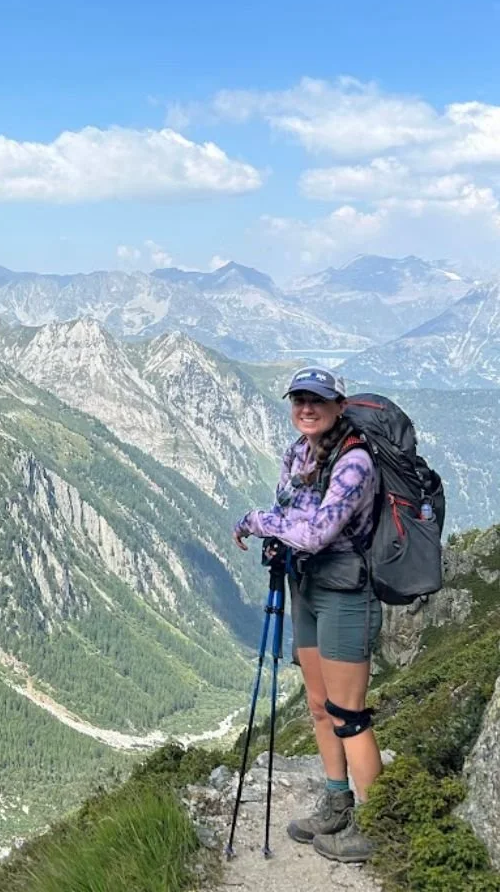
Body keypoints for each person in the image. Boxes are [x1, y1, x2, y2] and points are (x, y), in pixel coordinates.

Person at [233, 365, 383, 865]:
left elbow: (317, 531)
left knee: (349, 715)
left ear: (340, 405)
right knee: (319, 705)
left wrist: (258, 522)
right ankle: (337, 801)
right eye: (298, 398)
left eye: (317, 399)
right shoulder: (297, 452)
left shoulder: (355, 461)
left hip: (345, 593)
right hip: (307, 587)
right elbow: (295, 516)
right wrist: (279, 536)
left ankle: (375, 824)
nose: (306, 407)